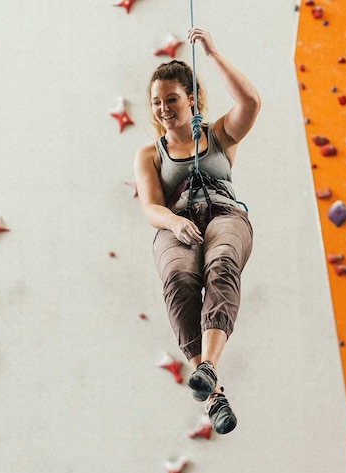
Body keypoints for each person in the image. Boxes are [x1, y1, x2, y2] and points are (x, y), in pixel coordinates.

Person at [133, 28, 260, 435]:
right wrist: (174, 221)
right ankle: (213, 392)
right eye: (157, 103)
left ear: (190, 97)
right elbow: (151, 206)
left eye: (172, 99)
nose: (164, 109)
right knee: (179, 278)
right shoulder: (151, 154)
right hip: (179, 223)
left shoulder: (219, 134)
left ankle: (208, 366)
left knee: (221, 264)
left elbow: (251, 102)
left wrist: (213, 53)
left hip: (224, 215)